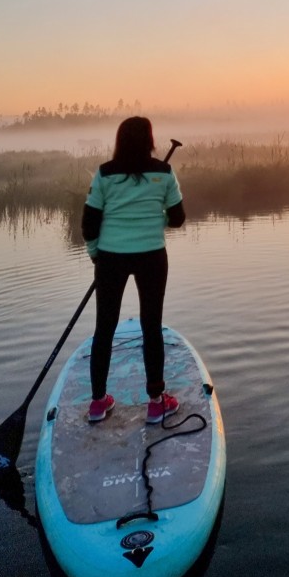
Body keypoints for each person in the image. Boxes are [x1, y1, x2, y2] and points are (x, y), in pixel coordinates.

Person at [81, 116, 185, 424]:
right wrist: (157, 217)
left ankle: (98, 403)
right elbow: (178, 218)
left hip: (111, 258)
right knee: (151, 327)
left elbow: (89, 224)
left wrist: (95, 254)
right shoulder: (164, 174)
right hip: (151, 256)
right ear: (150, 140)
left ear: (120, 140)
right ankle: (156, 402)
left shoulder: (104, 174)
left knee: (105, 328)